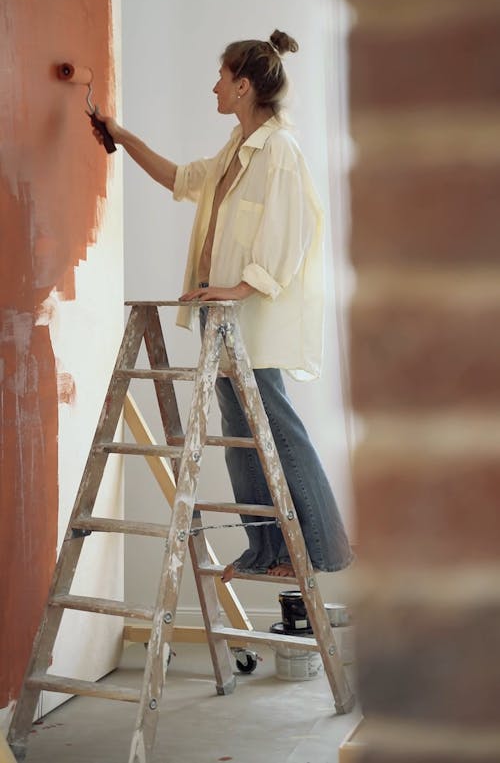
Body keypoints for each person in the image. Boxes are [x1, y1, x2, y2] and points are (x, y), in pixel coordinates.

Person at [93, 29, 353, 582]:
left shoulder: (279, 151)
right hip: (224, 317)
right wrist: (119, 135)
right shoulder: (238, 149)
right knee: (242, 438)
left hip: (250, 317)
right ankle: (267, 552)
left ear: (242, 86)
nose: (213, 86)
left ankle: (320, 552)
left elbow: (294, 230)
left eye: (220, 77)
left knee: (277, 428)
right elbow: (181, 179)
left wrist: (241, 287)